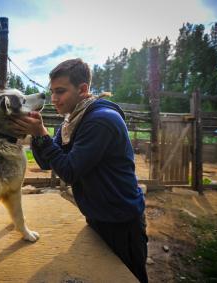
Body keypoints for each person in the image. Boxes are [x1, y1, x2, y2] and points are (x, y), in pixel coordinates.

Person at [11, 58, 148, 283]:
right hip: (98, 214)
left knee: (130, 276)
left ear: (83, 89)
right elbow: (47, 163)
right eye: (52, 91)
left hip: (120, 220)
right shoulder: (72, 120)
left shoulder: (100, 120)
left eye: (60, 91)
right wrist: (38, 135)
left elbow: (69, 171)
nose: (53, 99)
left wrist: (42, 134)